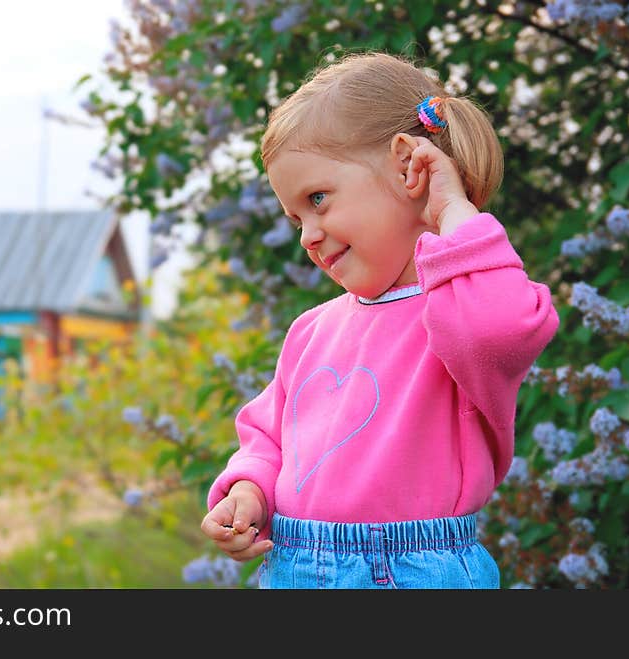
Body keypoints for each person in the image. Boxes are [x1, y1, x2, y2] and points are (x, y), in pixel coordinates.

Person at [200, 52, 560, 589]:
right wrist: (249, 490)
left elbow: (502, 328)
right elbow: (269, 439)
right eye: (295, 217)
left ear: (407, 167)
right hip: (295, 567)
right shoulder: (311, 330)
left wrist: (453, 209)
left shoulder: (459, 312)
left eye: (318, 199)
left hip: (416, 571)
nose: (307, 235)